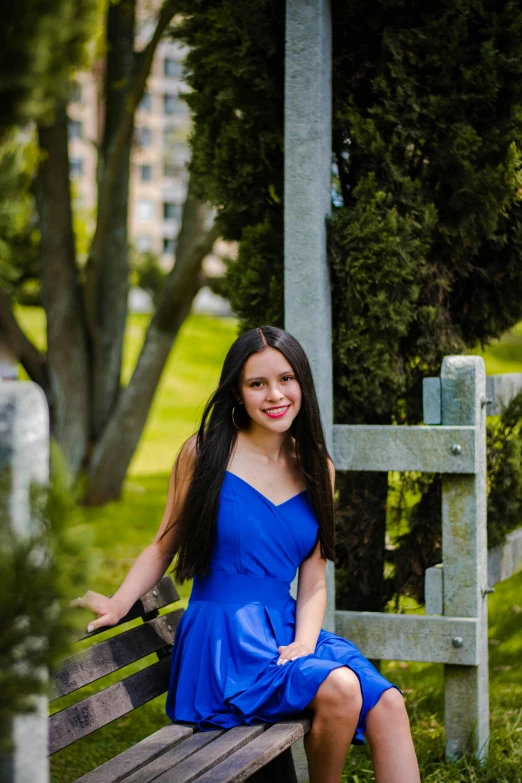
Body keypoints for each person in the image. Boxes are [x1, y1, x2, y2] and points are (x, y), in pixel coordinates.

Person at [75, 326, 420, 783]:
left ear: (302, 385)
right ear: (237, 394)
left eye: (286, 379)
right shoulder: (203, 455)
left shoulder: (317, 466)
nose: (275, 394)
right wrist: (119, 602)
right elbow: (163, 545)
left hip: (285, 632)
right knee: (340, 687)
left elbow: (313, 580)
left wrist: (303, 643)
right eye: (257, 383)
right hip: (225, 641)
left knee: (389, 704)